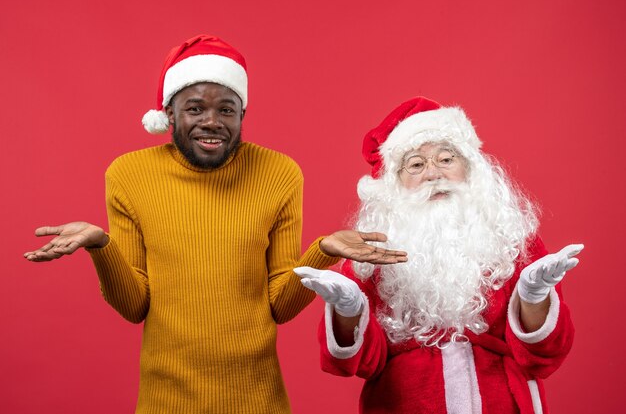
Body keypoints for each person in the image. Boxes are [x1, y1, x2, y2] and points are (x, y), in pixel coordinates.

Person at [23, 35, 406, 414]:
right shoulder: (128, 175)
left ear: (242, 115)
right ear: (169, 114)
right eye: (195, 109)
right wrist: (101, 247)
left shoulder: (279, 173)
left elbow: (279, 307)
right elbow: (135, 305)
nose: (212, 123)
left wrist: (321, 252)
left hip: (258, 400)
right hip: (166, 401)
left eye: (226, 109)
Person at [295, 97, 583, 414]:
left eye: (446, 160)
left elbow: (544, 355)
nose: (434, 174)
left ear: (470, 168)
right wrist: (348, 310)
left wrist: (534, 297)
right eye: (417, 164)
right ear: (395, 182)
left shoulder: (512, 239)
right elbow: (362, 363)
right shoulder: (369, 253)